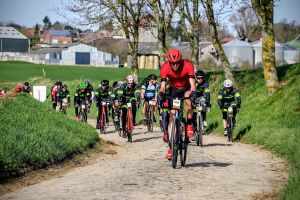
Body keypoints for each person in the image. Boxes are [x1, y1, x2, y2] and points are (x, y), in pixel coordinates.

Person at [159, 48, 196, 159]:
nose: (175, 66)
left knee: (188, 101)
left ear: (181, 61)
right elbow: (163, 86)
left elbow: (192, 84)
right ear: (169, 62)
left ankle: (189, 124)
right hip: (174, 90)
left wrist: (193, 92)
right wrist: (161, 93)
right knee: (172, 115)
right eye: (172, 63)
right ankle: (171, 147)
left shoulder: (188, 65)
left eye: (177, 63)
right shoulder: (165, 67)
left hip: (186, 88)